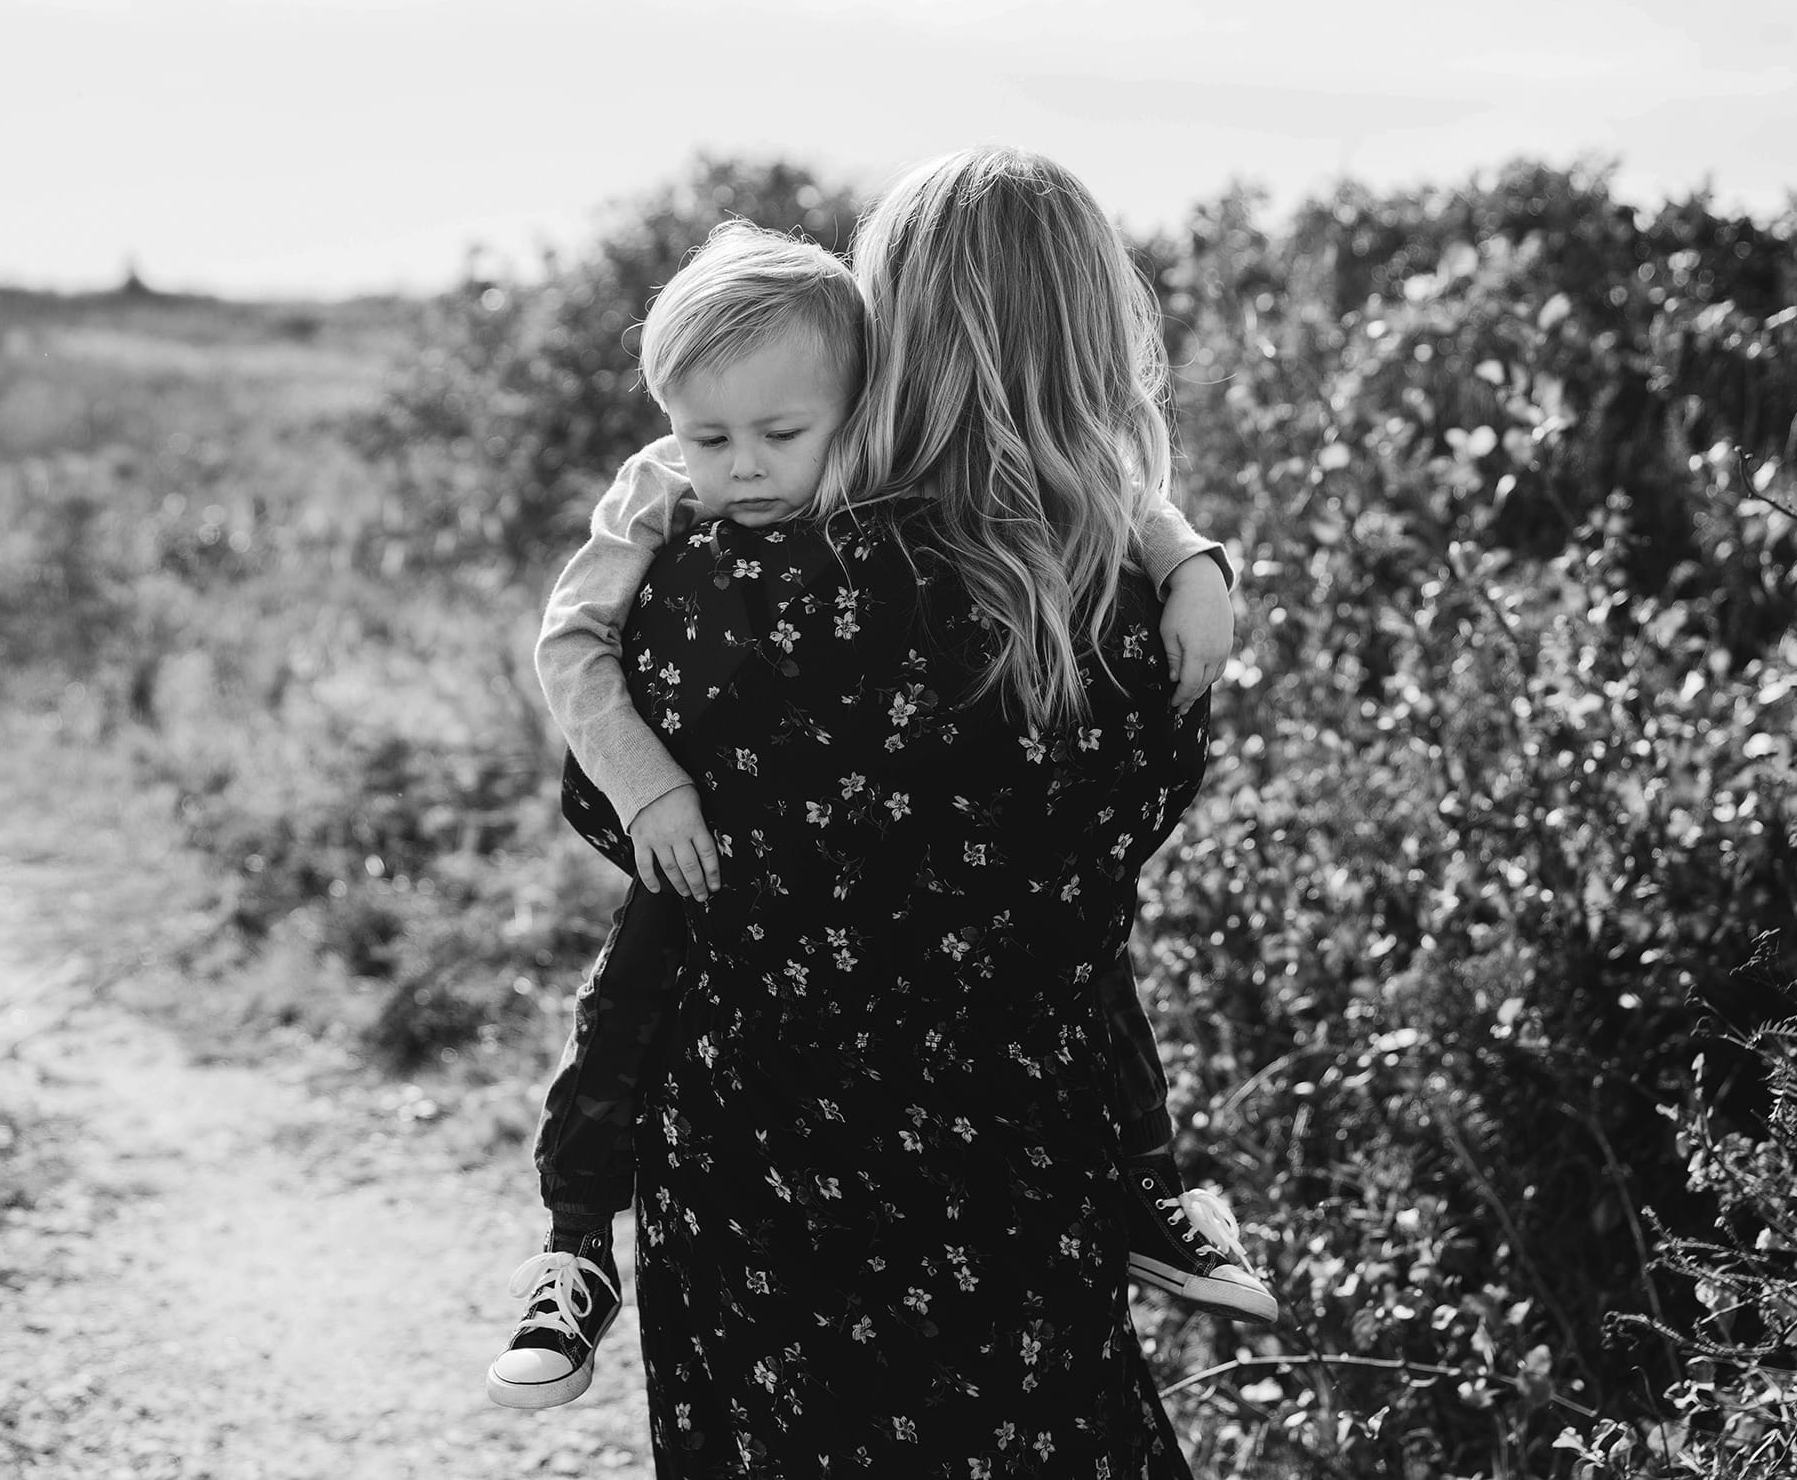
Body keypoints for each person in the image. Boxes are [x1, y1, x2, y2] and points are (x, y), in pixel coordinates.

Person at [485, 215, 1275, 1414]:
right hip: (1014, 1142)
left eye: (775, 433)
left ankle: (1148, 1189)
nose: (739, 464)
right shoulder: (1090, 595)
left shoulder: (726, 579)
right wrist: (1188, 567)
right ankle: (574, 1233)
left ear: (868, 380)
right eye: (709, 436)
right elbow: (1121, 832)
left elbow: (601, 777)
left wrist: (1187, 550)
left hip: (754, 1144)